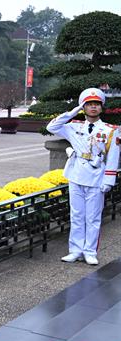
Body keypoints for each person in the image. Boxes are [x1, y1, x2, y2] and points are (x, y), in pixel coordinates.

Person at [48, 87, 119, 265]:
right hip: (76, 175)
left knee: (93, 217)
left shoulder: (111, 130)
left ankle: (89, 251)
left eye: (96, 104)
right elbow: (52, 126)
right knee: (77, 215)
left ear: (101, 107)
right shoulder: (73, 126)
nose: (93, 107)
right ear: (84, 107)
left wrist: (109, 180)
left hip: (96, 177)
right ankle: (75, 250)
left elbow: (113, 157)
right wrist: (72, 111)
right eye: (89, 104)